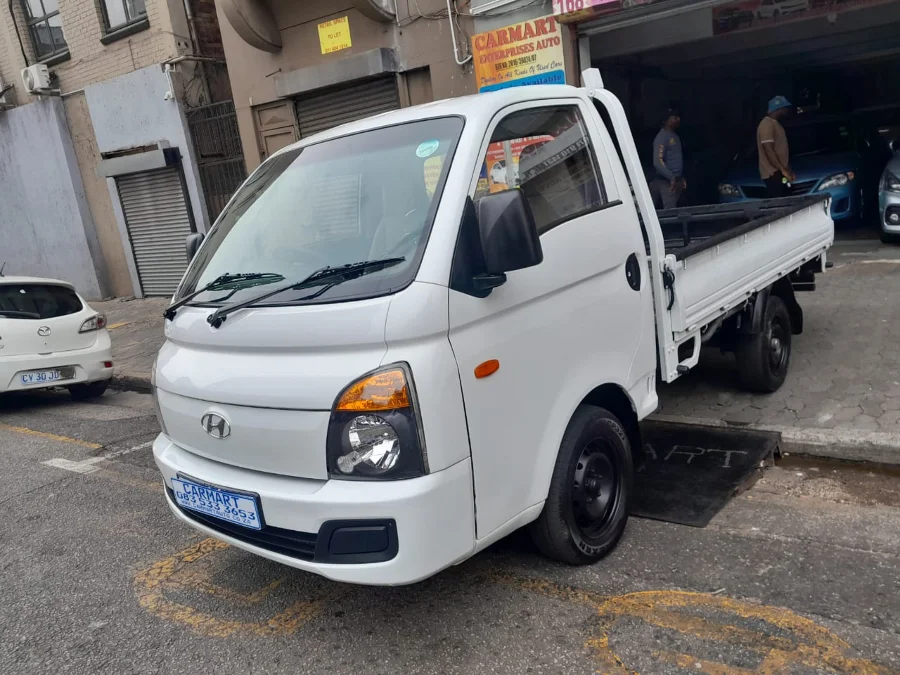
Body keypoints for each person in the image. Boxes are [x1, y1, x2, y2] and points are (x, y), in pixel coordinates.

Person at [758, 95, 795, 198]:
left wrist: (787, 170)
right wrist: (783, 170)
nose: (787, 110)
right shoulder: (767, 124)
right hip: (773, 174)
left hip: (779, 173)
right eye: (785, 108)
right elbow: (768, 150)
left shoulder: (774, 124)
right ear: (779, 109)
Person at [652, 108, 686, 210]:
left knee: (677, 210)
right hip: (666, 181)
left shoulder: (674, 136)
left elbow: (676, 160)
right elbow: (657, 161)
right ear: (666, 120)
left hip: (675, 180)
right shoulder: (662, 137)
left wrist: (680, 177)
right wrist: (671, 177)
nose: (678, 119)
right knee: (670, 213)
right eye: (675, 117)